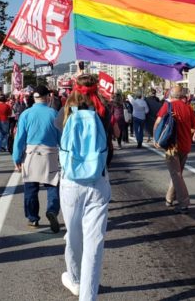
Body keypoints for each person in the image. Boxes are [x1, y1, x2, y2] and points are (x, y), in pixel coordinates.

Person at [59, 74, 112, 300]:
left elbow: (57, 139)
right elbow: (112, 139)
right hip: (98, 180)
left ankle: (74, 278)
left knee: (73, 236)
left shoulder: (66, 110)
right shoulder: (103, 110)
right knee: (94, 242)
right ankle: (88, 296)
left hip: (71, 180)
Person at [13, 85, 62, 231]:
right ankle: (52, 210)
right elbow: (61, 138)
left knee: (30, 188)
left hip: (31, 153)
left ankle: (33, 218)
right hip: (50, 154)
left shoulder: (26, 114)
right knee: (52, 186)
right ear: (48, 97)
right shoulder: (54, 113)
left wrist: (16, 158)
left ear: (34, 98)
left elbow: (19, 138)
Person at [154, 86, 195, 213]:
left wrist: (156, 139)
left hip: (173, 146)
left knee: (176, 174)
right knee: (177, 173)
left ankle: (184, 203)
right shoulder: (189, 108)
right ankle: (169, 198)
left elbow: (158, 122)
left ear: (171, 95)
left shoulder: (168, 106)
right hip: (186, 145)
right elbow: (194, 127)